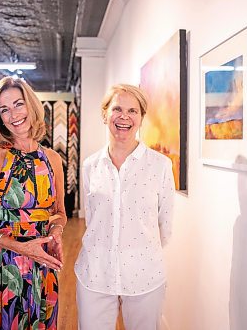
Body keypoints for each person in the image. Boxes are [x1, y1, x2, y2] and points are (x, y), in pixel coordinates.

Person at [0, 76, 67, 330]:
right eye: (4, 109)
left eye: (18, 104)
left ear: (31, 106)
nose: (13, 114)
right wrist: (20, 248)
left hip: (41, 264)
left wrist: (55, 232)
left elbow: (59, 212)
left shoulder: (51, 158)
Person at [75, 84, 175, 330]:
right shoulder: (90, 166)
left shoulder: (160, 165)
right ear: (104, 114)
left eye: (133, 111)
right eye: (117, 108)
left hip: (145, 276)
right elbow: (93, 219)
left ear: (141, 118)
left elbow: (166, 225)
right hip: (95, 273)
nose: (124, 117)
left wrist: (136, 248)